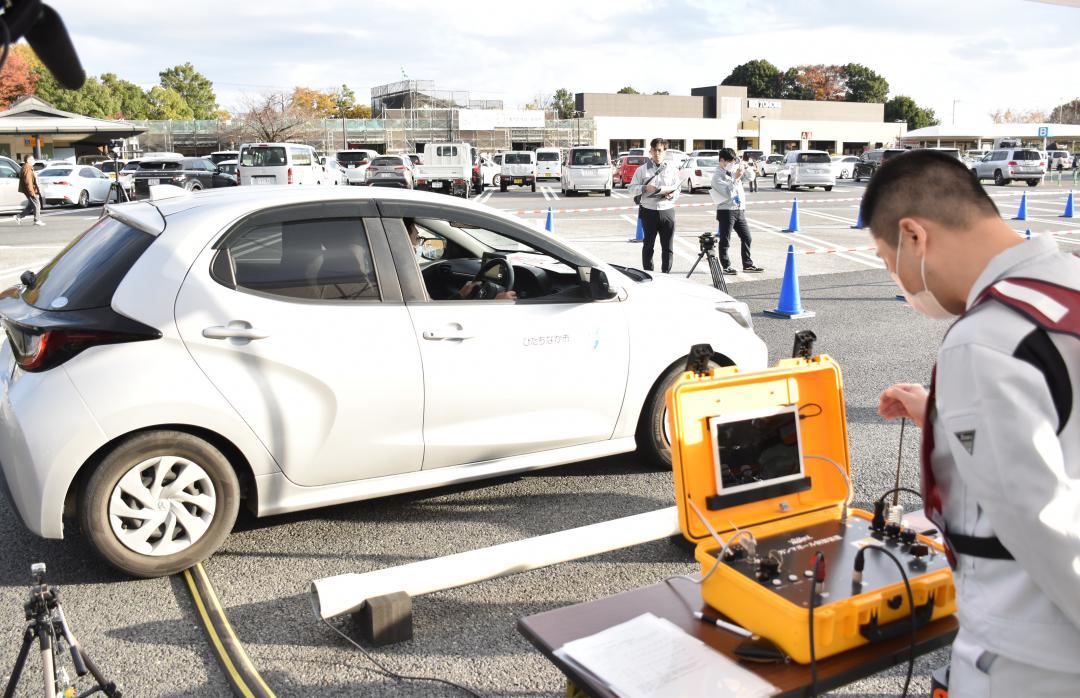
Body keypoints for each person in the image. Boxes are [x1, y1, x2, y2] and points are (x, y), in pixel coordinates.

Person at [865, 150, 1080, 697]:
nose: (898, 280)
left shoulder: (985, 340)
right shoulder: (1065, 284)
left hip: (1031, 655)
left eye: (888, 261)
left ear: (914, 236)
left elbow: (1047, 527)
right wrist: (942, 412)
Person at [405, 218, 515, 300]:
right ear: (405, 242)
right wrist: (494, 304)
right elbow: (435, 316)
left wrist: (461, 295)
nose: (418, 246)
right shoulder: (405, 280)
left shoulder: (402, 278)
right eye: (417, 239)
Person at [628, 138, 681, 273]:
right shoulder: (641, 170)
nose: (657, 153)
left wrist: (672, 195)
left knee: (667, 247)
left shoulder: (672, 169)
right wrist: (645, 188)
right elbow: (631, 189)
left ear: (664, 152)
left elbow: (678, 189)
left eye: (659, 150)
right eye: (654, 150)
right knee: (648, 246)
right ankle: (648, 273)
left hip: (667, 211)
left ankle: (666, 274)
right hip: (649, 211)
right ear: (650, 151)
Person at [711, 148, 763, 275]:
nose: (732, 164)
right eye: (730, 162)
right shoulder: (717, 176)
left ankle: (747, 264)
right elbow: (728, 193)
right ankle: (726, 266)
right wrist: (736, 179)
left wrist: (746, 167)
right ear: (722, 160)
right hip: (726, 210)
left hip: (739, 209)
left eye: (733, 162)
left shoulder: (733, 170)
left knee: (747, 237)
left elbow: (750, 177)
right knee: (725, 239)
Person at [13, 155, 44, 226]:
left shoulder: (28, 167)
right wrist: (31, 191)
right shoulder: (27, 168)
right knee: (37, 204)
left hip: (31, 189)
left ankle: (19, 217)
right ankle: (37, 220)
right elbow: (28, 181)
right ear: (28, 160)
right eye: (32, 159)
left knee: (31, 206)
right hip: (30, 190)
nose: (34, 161)